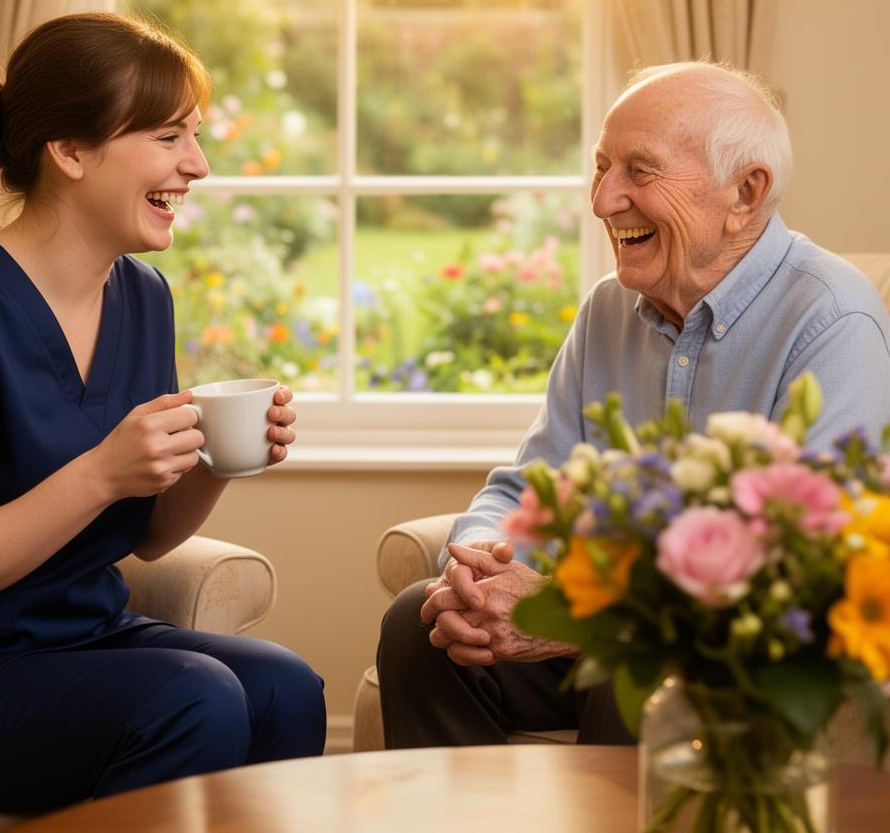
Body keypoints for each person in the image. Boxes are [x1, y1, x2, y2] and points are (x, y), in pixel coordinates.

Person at [0, 12, 326, 812]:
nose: (200, 166)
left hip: (80, 639)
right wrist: (100, 472)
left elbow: (146, 535)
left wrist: (215, 460)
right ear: (70, 151)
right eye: (168, 137)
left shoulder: (143, 297)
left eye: (195, 137)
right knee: (196, 697)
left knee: (287, 689)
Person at [377, 61, 890, 748]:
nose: (602, 199)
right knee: (423, 626)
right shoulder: (607, 309)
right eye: (601, 166)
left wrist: (576, 619)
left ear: (746, 191)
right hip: (595, 629)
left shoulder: (832, 318)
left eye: (639, 172)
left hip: (725, 654)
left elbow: (808, 567)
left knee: (645, 678)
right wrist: (477, 567)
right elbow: (533, 484)